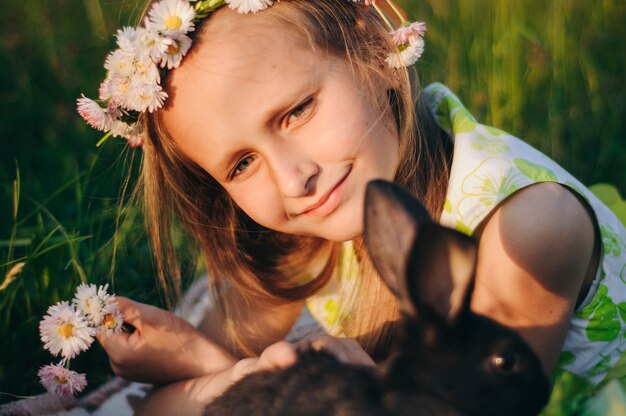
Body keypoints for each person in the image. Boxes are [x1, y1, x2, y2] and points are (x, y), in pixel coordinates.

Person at [75, 0, 626, 414]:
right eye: (241, 165)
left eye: (297, 111)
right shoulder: (306, 232)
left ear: (370, 45)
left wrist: (216, 373)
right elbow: (159, 407)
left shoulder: (528, 232)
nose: (295, 179)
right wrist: (217, 368)